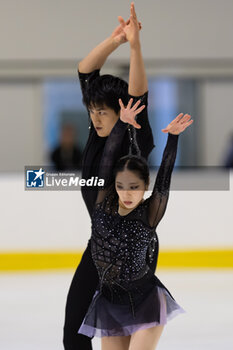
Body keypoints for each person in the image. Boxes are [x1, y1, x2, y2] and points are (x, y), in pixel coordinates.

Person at [63, 4, 157, 349]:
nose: (96, 118)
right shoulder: (96, 132)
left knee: (123, 337)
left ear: (122, 110)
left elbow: (138, 93)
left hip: (128, 250)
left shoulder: (134, 135)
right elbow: (85, 70)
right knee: (73, 333)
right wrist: (115, 39)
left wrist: (134, 47)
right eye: (91, 112)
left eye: (102, 112)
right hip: (98, 245)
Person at [78, 99, 193, 350]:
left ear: (144, 187)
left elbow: (165, 177)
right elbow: (108, 158)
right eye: (121, 186)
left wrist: (172, 138)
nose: (127, 193)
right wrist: (120, 124)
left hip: (146, 301)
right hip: (109, 303)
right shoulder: (102, 205)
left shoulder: (150, 212)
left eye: (134, 187)